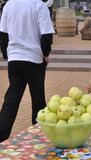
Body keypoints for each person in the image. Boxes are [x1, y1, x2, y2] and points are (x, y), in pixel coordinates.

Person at [0, 0, 54, 142]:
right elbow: (47, 35)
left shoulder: (9, 5)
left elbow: (3, 34)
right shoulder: (38, 5)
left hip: (14, 59)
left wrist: (8, 55)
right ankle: (39, 136)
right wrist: (46, 54)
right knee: (37, 99)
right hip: (34, 59)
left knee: (12, 98)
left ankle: (1, 135)